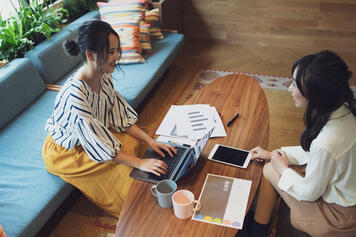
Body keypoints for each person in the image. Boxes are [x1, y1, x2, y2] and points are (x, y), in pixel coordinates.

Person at [42, 19, 176, 217]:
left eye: (116, 50)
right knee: (126, 179)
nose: (116, 57)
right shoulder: (75, 95)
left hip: (95, 135)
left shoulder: (103, 75)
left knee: (138, 146)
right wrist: (139, 163)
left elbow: (119, 116)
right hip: (66, 151)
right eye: (110, 52)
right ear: (90, 55)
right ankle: (140, 215)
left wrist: (150, 141)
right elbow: (99, 147)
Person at [246, 51, 356, 237]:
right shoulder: (345, 111)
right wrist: (274, 153)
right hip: (346, 190)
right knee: (273, 162)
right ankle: (258, 227)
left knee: (269, 169)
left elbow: (309, 192)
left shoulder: (326, 142)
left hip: (339, 216)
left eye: (295, 85)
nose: (289, 88)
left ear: (316, 96)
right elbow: (319, 153)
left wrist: (281, 168)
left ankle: (257, 231)